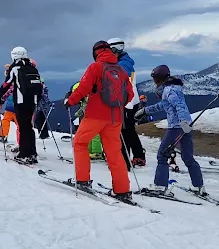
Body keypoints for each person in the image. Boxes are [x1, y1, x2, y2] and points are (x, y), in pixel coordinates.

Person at [64, 41, 134, 203]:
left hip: (95, 116)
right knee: (114, 152)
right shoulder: (122, 71)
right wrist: (116, 107)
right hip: (115, 118)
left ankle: (82, 181)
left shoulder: (95, 67)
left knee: (80, 144)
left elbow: (83, 88)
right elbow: (129, 95)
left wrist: (70, 101)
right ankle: (122, 190)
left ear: (95, 53)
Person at [140, 65, 206, 197]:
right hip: (184, 126)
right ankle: (199, 187)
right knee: (188, 157)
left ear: (159, 78)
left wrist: (183, 122)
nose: (153, 81)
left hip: (177, 127)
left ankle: (159, 186)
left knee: (162, 155)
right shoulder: (171, 89)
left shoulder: (169, 90)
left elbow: (179, 106)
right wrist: (145, 110)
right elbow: (164, 105)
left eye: (155, 78)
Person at [3, 46, 45, 165]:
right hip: (33, 101)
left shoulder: (15, 68)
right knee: (29, 127)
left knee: (23, 127)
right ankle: (32, 153)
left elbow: (7, 83)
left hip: (21, 102)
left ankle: (24, 154)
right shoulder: (32, 67)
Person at [108, 39, 147, 167]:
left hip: (126, 103)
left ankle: (124, 161)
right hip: (130, 101)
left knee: (123, 131)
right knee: (129, 130)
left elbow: (118, 79)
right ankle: (138, 156)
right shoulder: (124, 61)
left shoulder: (123, 64)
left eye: (110, 51)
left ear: (116, 50)